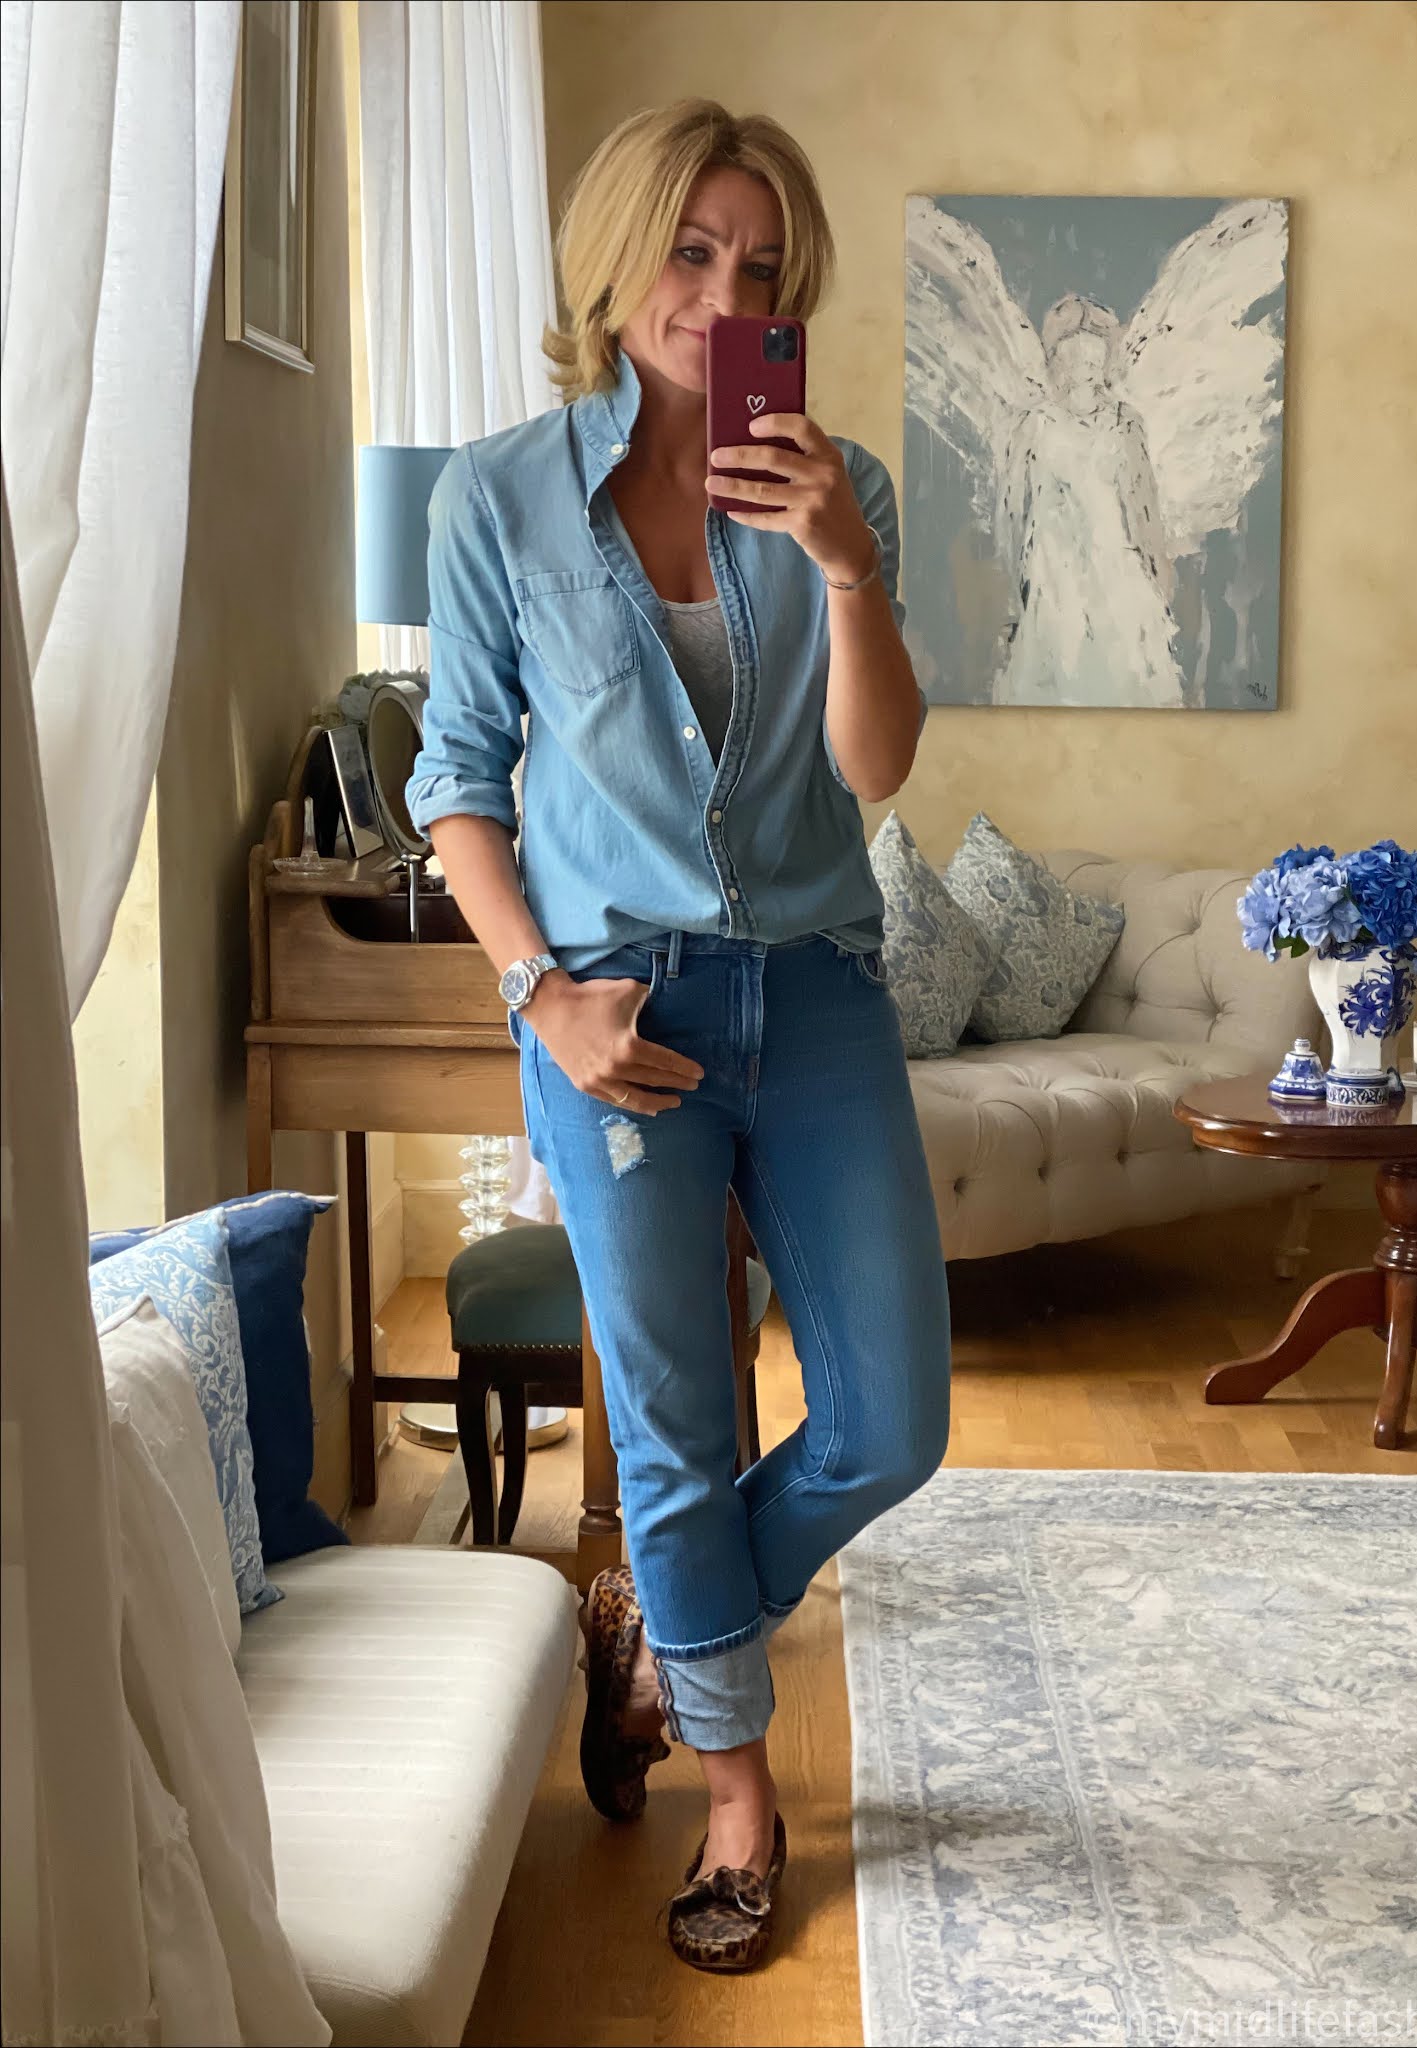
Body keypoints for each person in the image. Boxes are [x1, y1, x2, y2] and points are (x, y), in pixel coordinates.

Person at [404, 97, 951, 1973]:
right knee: (673, 1421)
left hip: (817, 988)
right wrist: (537, 994)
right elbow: (457, 780)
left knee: (891, 1421)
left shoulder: (842, 486)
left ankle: (662, 1632)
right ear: (617, 260)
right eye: (693, 252)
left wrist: (849, 565)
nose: (726, 297)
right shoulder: (493, 498)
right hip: (615, 1005)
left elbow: (877, 772)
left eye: (764, 268)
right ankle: (735, 1795)